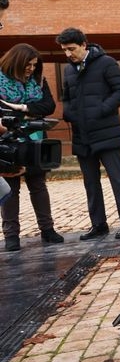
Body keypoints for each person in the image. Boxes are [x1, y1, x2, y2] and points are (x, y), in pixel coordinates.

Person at [56, 28, 120, 240]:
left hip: (107, 132)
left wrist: (100, 110)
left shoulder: (107, 63)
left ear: (83, 44)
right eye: (64, 50)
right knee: (90, 182)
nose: (68, 54)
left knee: (117, 178)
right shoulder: (69, 70)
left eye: (71, 49)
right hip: (82, 135)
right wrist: (69, 113)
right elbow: (67, 96)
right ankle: (98, 224)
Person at [0, 44, 63, 251]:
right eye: (28, 65)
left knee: (38, 185)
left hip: (36, 138)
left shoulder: (38, 80)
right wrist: (28, 114)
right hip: (7, 139)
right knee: (11, 189)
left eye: (34, 65)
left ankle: (48, 230)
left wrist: (23, 109)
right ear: (16, 62)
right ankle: (11, 236)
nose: (31, 69)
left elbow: (49, 106)